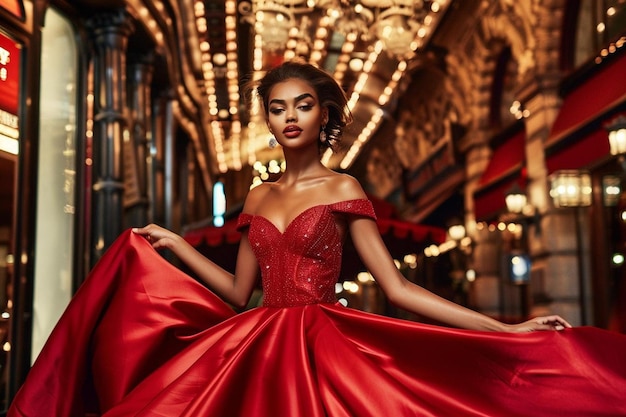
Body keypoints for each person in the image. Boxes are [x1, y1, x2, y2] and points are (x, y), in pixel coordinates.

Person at [8, 61, 626, 416]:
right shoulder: (257, 197)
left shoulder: (342, 186)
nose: (290, 118)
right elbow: (238, 295)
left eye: (303, 105)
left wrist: (505, 330)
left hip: (326, 346)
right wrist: (176, 246)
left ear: (324, 114)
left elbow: (398, 287)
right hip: (256, 344)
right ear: (269, 119)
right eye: (277, 108)